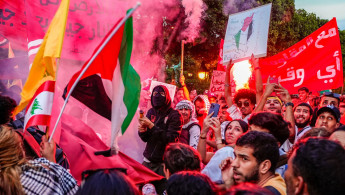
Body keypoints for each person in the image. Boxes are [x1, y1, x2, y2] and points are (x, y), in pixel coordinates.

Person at [0, 125, 78, 194]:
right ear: (19, 152)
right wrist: (50, 160)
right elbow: (76, 191)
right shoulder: (41, 170)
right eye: (21, 145)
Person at [220, 131, 286, 195]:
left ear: (264, 166)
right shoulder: (268, 184)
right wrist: (228, 182)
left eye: (244, 159)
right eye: (235, 156)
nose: (233, 164)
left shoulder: (269, 192)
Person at [138, 85, 182, 177]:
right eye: (154, 93)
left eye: (161, 94)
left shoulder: (174, 115)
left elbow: (171, 140)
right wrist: (142, 131)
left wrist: (151, 126)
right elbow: (146, 138)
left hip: (163, 165)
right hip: (147, 161)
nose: (157, 96)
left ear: (167, 96)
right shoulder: (151, 112)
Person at [200, 116, 248, 182]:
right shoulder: (223, 150)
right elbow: (202, 157)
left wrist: (218, 137)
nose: (230, 132)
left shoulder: (232, 152)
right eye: (229, 128)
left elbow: (225, 155)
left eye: (237, 129)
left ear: (244, 134)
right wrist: (203, 132)